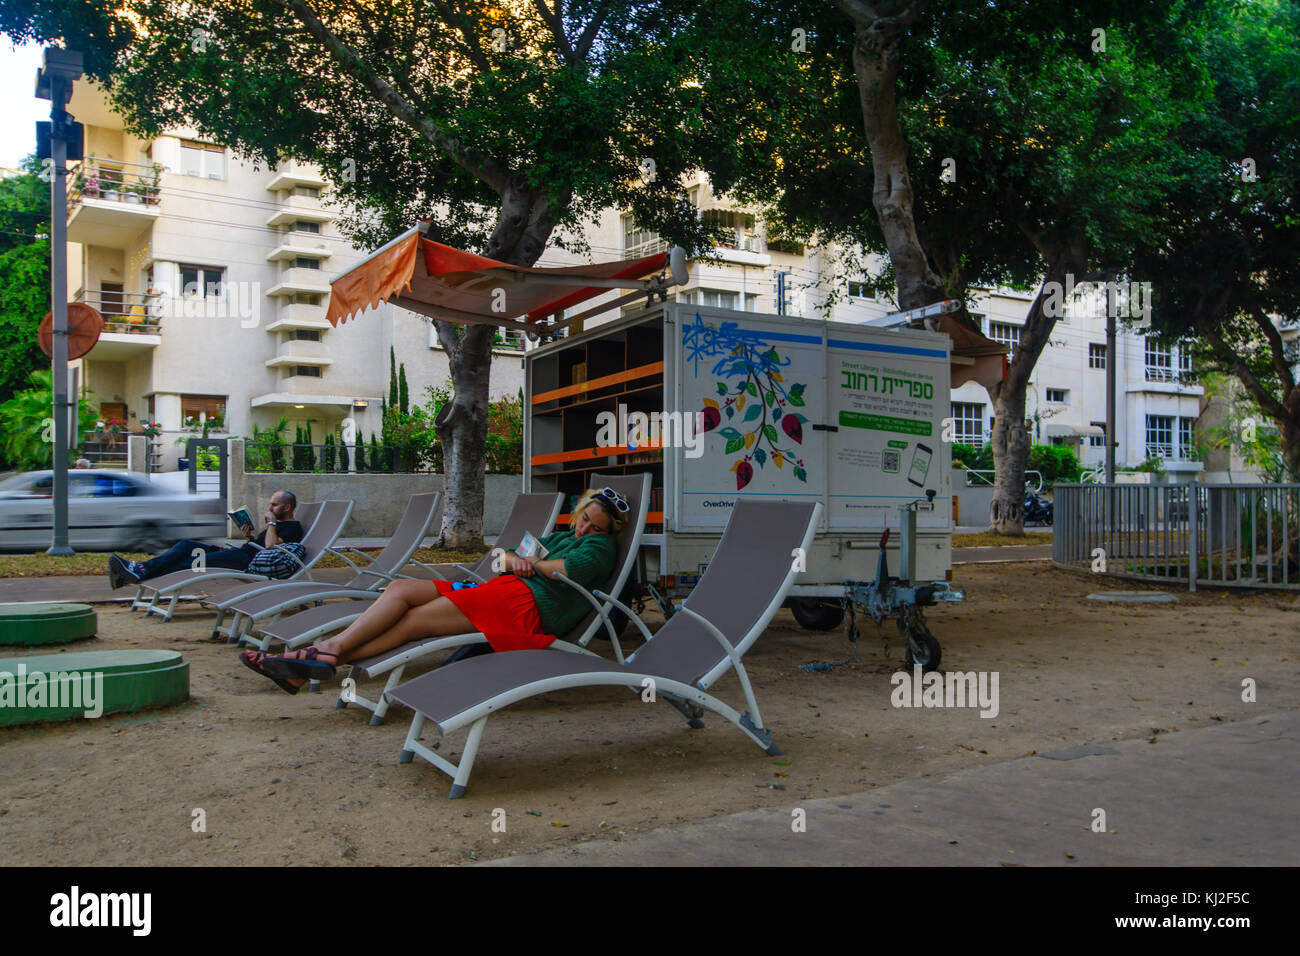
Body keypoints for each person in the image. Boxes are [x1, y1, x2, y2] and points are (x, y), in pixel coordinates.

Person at [242, 486, 630, 693]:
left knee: (413, 622)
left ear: (607, 531)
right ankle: (325, 653)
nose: (585, 530)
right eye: (584, 520)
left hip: (523, 608)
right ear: (578, 513)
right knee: (400, 588)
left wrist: (529, 564)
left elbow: (570, 570)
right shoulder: (562, 535)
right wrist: (515, 561)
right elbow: (502, 557)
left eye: (594, 526)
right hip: (501, 590)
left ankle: (322, 655)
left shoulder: (601, 548)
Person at [108, 489, 302, 588]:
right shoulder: (276, 524)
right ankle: (139, 570)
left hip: (246, 562)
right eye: (270, 504)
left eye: (274, 505)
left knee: (195, 562)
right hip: (239, 553)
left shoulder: (293, 527)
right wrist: (249, 536)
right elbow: (263, 543)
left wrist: (272, 524)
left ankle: (138, 572)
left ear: (286, 508)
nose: (270, 509)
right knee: (187, 545)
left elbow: (270, 547)